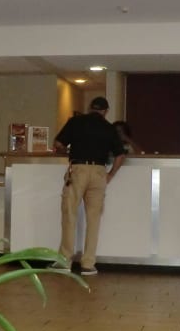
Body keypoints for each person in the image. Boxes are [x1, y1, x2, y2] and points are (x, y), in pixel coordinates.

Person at [53, 97, 126, 275]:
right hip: (99, 172)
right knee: (94, 219)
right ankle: (88, 264)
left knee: (69, 214)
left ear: (89, 108)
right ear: (106, 111)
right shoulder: (110, 128)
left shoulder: (75, 122)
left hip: (78, 170)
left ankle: (64, 262)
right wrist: (110, 175)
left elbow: (58, 144)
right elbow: (121, 155)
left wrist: (67, 152)